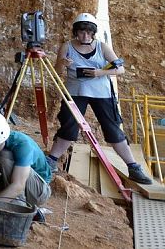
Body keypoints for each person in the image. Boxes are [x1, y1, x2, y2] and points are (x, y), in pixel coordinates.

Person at [46, 13, 152, 184]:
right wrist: (62, 64)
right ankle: (51, 160)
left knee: (112, 129)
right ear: (76, 32)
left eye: (88, 32)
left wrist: (100, 72)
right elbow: (56, 71)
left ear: (93, 32)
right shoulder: (67, 47)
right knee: (69, 126)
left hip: (101, 92)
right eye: (81, 32)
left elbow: (120, 69)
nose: (85, 36)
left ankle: (133, 167)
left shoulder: (102, 47)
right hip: (75, 92)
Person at [0, 111, 52, 216]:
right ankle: (7, 199)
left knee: (5, 156)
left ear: (4, 137)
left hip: (38, 191)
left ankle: (20, 206)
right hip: (11, 180)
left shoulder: (22, 144)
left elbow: (18, 185)